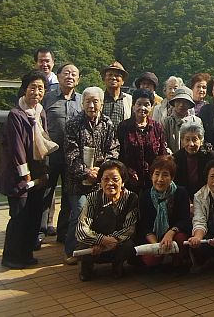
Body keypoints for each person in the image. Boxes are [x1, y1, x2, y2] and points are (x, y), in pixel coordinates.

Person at [0, 70, 54, 269]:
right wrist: (24, 173)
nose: (37, 92)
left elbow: (44, 140)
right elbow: (16, 147)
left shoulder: (40, 112)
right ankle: (11, 257)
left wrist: (43, 169)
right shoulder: (15, 115)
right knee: (19, 216)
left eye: (41, 88)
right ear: (25, 89)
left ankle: (26, 254)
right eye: (33, 87)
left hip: (36, 172)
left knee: (34, 214)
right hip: (18, 175)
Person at [64, 86, 119, 264]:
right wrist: (87, 172)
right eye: (88, 101)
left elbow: (113, 149)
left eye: (96, 101)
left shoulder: (107, 123)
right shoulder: (73, 124)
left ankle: (93, 249)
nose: (92, 105)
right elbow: (71, 154)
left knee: (102, 213)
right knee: (79, 211)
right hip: (78, 180)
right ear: (82, 103)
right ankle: (72, 250)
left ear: (102, 104)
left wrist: (100, 171)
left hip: (101, 181)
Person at [40, 63, 82, 244]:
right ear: (58, 76)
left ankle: (63, 232)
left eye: (74, 74)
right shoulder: (47, 99)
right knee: (45, 193)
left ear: (78, 80)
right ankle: (39, 231)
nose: (70, 76)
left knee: (69, 194)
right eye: (66, 73)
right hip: (50, 155)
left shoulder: (82, 100)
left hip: (72, 156)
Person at [76, 160, 138, 281]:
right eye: (106, 179)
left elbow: (129, 229)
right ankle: (86, 269)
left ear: (123, 181)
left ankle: (117, 266)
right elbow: (81, 229)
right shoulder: (92, 198)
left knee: (128, 245)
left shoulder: (132, 198)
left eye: (115, 179)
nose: (110, 183)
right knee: (83, 244)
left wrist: (111, 242)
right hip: (94, 244)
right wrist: (101, 240)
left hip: (116, 243)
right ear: (100, 182)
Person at [138, 155, 191, 270]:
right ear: (151, 176)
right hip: (154, 236)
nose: (160, 179)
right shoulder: (145, 196)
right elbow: (145, 225)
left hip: (174, 234)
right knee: (150, 261)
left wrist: (170, 233)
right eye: (157, 174)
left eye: (165, 175)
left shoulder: (180, 192)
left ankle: (179, 261)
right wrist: (155, 244)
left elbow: (185, 220)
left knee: (181, 238)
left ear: (172, 177)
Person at [117, 89, 169, 193]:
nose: (142, 108)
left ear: (152, 106)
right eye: (139, 104)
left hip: (153, 181)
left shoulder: (157, 127)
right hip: (129, 181)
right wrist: (127, 170)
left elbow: (162, 154)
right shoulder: (124, 126)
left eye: (146, 104)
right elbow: (119, 153)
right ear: (133, 106)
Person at [174, 120, 214, 200]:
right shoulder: (177, 158)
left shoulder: (210, 156)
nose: (191, 144)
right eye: (187, 140)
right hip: (184, 198)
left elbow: (213, 180)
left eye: (194, 139)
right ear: (182, 141)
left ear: (201, 140)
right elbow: (176, 185)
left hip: (206, 197)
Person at [163, 87, 202, 154]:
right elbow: (164, 144)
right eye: (178, 101)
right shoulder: (167, 122)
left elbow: (200, 142)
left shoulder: (196, 121)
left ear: (189, 104)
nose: (181, 105)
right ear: (174, 102)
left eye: (185, 102)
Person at [101, 61, 132, 129]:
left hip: (122, 138)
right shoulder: (99, 98)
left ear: (123, 81)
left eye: (117, 75)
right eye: (110, 75)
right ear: (104, 79)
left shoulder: (129, 100)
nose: (113, 78)